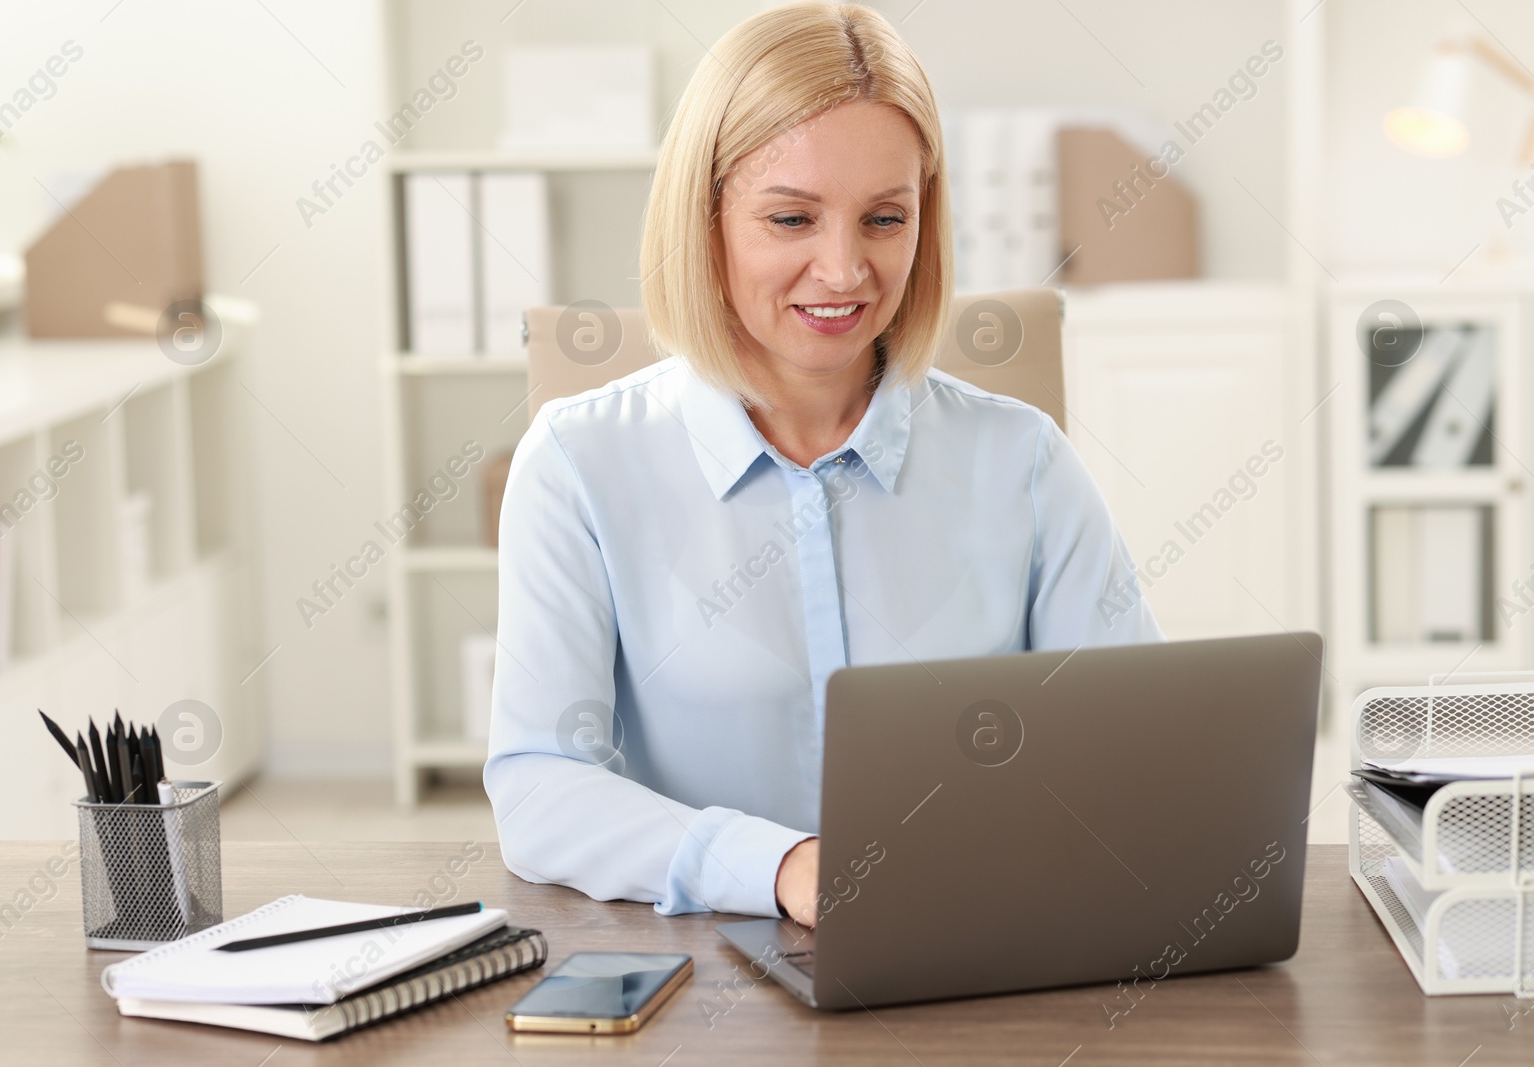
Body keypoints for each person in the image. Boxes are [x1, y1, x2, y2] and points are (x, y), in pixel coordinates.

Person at [484, 1, 1162, 928]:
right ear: (706, 221)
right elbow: (539, 787)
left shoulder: (1025, 461)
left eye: (885, 219)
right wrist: (782, 866)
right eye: (792, 218)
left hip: (981, 950)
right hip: (708, 971)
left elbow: (1141, 751)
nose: (844, 272)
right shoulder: (577, 463)